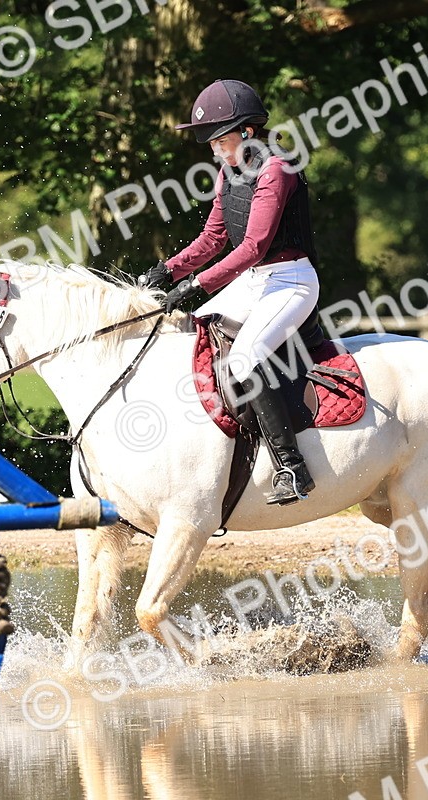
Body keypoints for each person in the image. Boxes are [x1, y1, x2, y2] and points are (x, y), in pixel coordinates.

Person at [140, 79, 320, 506]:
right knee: (189, 336)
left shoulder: (276, 169)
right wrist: (167, 272)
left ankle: (292, 468)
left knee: (244, 357)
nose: (215, 150)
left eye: (221, 139)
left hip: (290, 281)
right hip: (254, 282)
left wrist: (196, 285)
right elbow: (212, 238)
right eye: (213, 142)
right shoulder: (228, 172)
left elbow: (254, 246)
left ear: (249, 132)